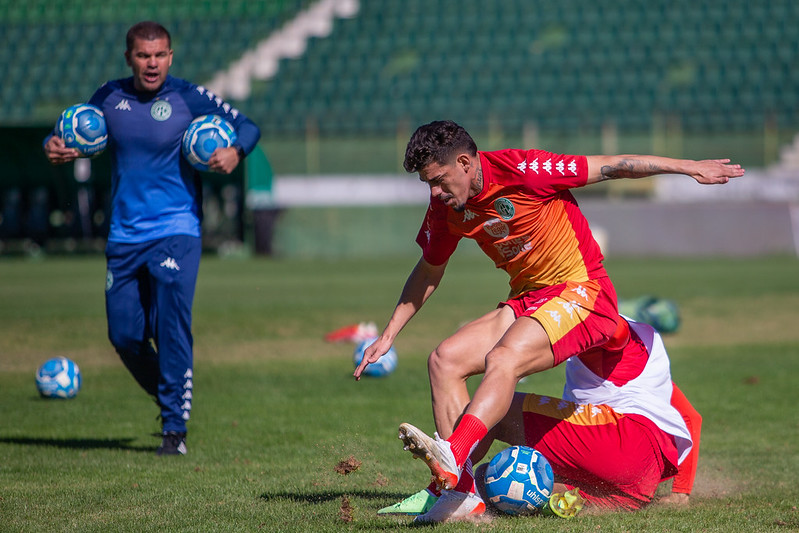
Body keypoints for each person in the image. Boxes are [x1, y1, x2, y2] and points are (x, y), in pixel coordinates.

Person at [352, 121, 738, 500]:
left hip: (583, 292)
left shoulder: (524, 169)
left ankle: (454, 455)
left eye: (439, 180)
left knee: (504, 357)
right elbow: (429, 270)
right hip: (528, 298)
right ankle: (462, 498)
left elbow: (615, 164)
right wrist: (388, 335)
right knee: (444, 360)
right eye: (427, 184)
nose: (434, 192)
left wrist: (691, 167)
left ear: (466, 163)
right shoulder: (445, 209)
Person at [43, 21, 261, 455]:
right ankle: (172, 390)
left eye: (160, 55)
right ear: (129, 58)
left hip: (176, 230)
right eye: (143, 56)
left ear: (171, 56)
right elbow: (71, 132)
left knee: (169, 326)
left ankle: (174, 429)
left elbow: (248, 126)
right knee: (124, 335)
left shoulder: (189, 97)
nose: (152, 63)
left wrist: (235, 151)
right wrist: (54, 144)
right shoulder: (109, 97)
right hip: (124, 235)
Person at [385, 317, 703, 523]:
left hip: (620, 438)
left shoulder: (607, 325)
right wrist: (680, 495)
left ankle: (444, 490)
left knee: (495, 408)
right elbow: (691, 418)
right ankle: (544, 498)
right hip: (638, 484)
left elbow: (612, 330)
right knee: (487, 480)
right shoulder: (650, 363)